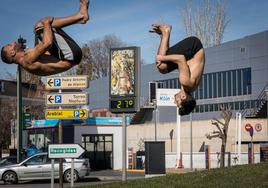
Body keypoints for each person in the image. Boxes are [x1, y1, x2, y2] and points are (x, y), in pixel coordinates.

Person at [1, 0, 89, 76]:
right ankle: (80, 16)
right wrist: (46, 22)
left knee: (39, 29)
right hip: (70, 57)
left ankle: (80, 18)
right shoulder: (27, 60)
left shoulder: (27, 57)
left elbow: (45, 50)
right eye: (10, 45)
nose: (13, 42)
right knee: (40, 26)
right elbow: (47, 44)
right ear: (12, 53)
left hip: (68, 57)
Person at [149, 23, 205, 115]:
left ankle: (164, 34)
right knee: (162, 65)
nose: (175, 102)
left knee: (164, 68)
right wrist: (161, 58)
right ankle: (166, 30)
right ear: (183, 97)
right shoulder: (186, 82)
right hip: (194, 47)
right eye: (177, 103)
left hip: (192, 53)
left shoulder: (189, 88)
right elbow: (180, 58)